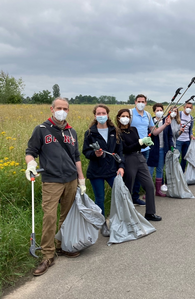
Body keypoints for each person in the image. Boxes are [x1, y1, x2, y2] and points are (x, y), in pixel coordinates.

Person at [25, 97, 86, 276]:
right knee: (50, 217)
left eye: (65, 108)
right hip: (51, 180)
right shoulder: (41, 130)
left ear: (68, 110)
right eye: (58, 108)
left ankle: (62, 246)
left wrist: (81, 179)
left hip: (70, 179)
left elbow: (76, 157)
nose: (62, 111)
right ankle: (47, 255)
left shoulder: (71, 132)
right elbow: (30, 152)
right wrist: (30, 165)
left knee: (66, 216)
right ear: (51, 109)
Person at [116, 109, 162, 221]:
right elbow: (125, 149)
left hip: (140, 157)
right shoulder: (117, 133)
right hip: (128, 159)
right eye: (123, 116)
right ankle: (126, 214)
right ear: (118, 118)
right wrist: (140, 143)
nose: (125, 118)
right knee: (128, 187)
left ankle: (150, 213)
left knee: (150, 186)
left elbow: (138, 145)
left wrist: (144, 143)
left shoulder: (133, 129)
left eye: (127, 116)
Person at [82, 104, 125, 217]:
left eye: (103, 113)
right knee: (99, 199)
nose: (101, 116)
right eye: (98, 114)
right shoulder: (90, 133)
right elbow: (86, 152)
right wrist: (95, 154)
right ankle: (102, 225)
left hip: (112, 170)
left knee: (120, 195)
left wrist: (121, 166)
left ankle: (120, 220)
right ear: (95, 116)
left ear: (108, 115)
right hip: (96, 171)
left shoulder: (114, 131)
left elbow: (120, 152)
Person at [130, 94, 166, 205]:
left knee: (139, 175)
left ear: (146, 103)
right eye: (139, 101)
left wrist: (165, 125)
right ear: (135, 102)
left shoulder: (148, 115)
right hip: (131, 149)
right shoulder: (130, 114)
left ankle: (135, 197)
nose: (141, 103)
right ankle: (127, 199)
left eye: (143, 101)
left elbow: (154, 131)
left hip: (145, 150)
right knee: (130, 175)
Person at [147, 104, 173, 197]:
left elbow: (170, 135)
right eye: (157, 110)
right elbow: (152, 134)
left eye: (161, 110)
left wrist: (171, 146)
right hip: (152, 149)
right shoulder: (151, 122)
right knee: (149, 170)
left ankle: (158, 190)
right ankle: (148, 191)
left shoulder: (166, 122)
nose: (159, 111)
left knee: (160, 169)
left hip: (163, 149)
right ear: (154, 111)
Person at [176, 102, 195, 172]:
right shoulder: (179, 115)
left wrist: (192, 136)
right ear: (184, 107)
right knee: (177, 158)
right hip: (178, 140)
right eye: (187, 107)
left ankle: (182, 172)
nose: (188, 109)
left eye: (190, 107)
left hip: (187, 140)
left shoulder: (191, 118)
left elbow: (190, 130)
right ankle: (176, 173)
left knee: (185, 158)